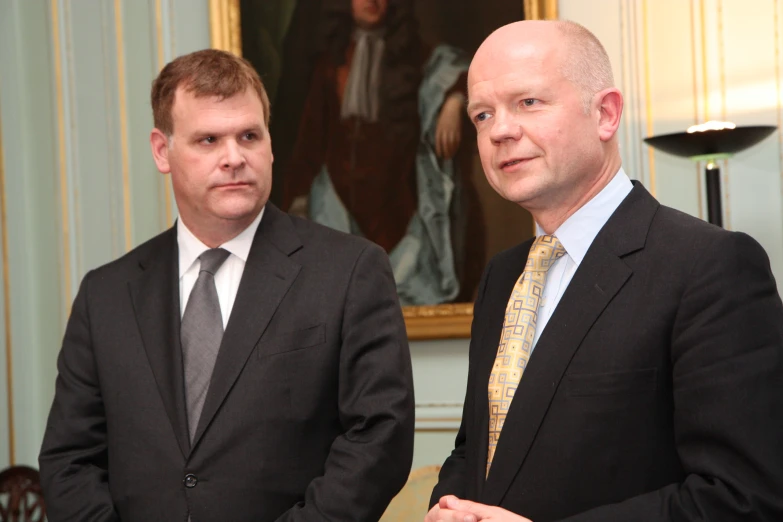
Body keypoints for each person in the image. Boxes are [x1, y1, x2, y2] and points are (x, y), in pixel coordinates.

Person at [427, 20, 783, 522]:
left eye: (528, 102)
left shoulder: (709, 267)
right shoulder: (502, 276)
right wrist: (445, 507)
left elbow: (744, 497)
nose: (500, 131)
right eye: (482, 115)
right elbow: (478, 448)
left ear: (606, 114)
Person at [38, 49, 414, 522]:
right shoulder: (106, 295)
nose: (234, 158)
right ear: (162, 150)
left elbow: (379, 438)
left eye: (249, 136)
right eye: (209, 139)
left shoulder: (351, 270)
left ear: (270, 145)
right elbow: (69, 460)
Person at [280, 0, 485, 305]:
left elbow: (464, 73)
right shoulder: (329, 64)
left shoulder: (413, 54)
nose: (373, 1)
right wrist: (296, 196)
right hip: (340, 198)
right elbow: (312, 137)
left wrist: (456, 101)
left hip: (397, 199)